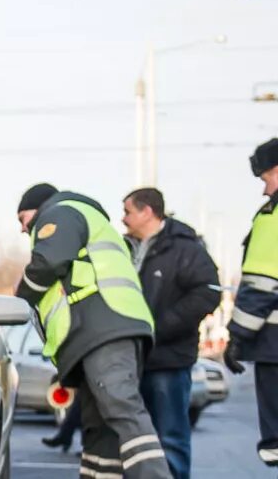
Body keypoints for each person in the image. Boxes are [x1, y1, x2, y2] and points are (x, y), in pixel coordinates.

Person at [14, 183, 171, 479]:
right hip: (104, 329)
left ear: (37, 208)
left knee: (122, 408)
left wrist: (20, 294)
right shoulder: (84, 219)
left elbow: (49, 261)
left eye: (22, 219)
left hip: (105, 329)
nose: (23, 230)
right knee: (100, 428)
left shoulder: (60, 212)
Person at [120, 187, 220, 479]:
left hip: (169, 359)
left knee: (170, 436)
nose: (123, 219)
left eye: (127, 211)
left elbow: (206, 294)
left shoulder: (185, 249)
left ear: (147, 212)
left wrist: (161, 326)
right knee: (135, 437)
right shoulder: (123, 247)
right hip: (130, 359)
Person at [224, 138, 278, 468]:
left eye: (267, 178)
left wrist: (237, 338)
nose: (264, 191)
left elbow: (261, 286)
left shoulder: (274, 216)